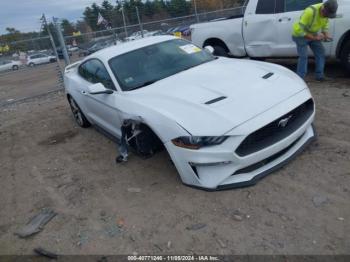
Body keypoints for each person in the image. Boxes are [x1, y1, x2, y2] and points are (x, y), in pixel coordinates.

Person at [292, 0, 338, 81]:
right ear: (323, 8)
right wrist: (313, 38)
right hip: (300, 35)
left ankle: (319, 76)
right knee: (303, 56)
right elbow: (299, 30)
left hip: (313, 34)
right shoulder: (310, 12)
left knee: (321, 52)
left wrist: (326, 34)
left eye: (328, 15)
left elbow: (325, 23)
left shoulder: (326, 13)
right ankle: (300, 78)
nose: (326, 16)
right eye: (326, 14)